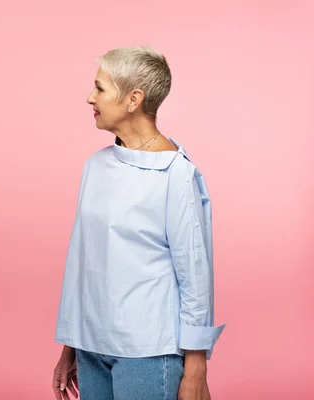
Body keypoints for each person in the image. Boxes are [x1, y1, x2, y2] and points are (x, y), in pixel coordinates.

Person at [53, 46, 225, 400]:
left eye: (99, 88)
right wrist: (71, 344)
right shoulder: (95, 167)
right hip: (91, 348)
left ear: (133, 98)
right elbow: (81, 262)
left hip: (148, 352)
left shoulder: (176, 174)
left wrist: (196, 368)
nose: (90, 97)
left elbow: (194, 277)